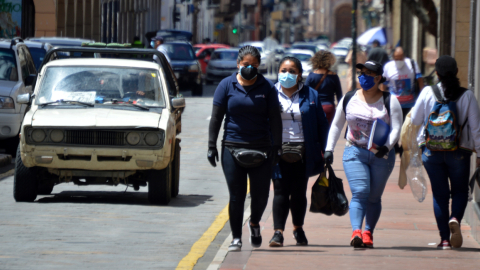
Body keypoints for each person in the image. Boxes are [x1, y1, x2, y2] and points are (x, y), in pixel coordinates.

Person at [207, 45, 282, 251]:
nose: (250, 68)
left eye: (254, 65)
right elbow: (216, 117)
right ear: (238, 64)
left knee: (261, 196)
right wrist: (211, 145)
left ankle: (255, 222)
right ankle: (236, 238)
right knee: (236, 195)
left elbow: (275, 118)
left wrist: (277, 146)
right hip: (232, 147)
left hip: (262, 148)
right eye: (246, 65)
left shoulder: (267, 88)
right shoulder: (226, 85)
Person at [324, 60, 402, 248]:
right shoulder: (349, 98)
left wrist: (387, 147)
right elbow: (336, 124)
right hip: (354, 151)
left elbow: (397, 127)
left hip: (381, 155)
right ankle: (356, 231)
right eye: (361, 73)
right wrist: (329, 148)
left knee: (374, 197)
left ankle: (368, 232)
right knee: (360, 192)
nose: (363, 77)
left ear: (378, 78)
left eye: (368, 74)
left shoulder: (390, 100)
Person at [410, 56, 480, 250]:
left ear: (437, 74)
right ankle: (455, 218)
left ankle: (445, 240)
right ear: (457, 72)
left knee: (440, 196)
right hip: (459, 152)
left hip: (431, 152)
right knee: (460, 191)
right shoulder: (467, 96)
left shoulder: (427, 92)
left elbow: (415, 119)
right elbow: (476, 130)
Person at [269, 57, 329, 247]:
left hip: (303, 152)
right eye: (283, 70)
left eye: (292, 71)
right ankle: (278, 232)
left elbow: (322, 124)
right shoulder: (270, 93)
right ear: (278, 72)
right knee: (280, 191)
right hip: (277, 151)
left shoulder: (311, 95)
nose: (287, 74)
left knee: (298, 192)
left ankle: (298, 228)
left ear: (300, 74)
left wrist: (325, 150)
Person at [382, 47, 424, 155]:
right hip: (394, 104)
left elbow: (420, 80)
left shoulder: (412, 65)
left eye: (400, 58)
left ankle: (405, 148)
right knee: (394, 126)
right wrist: (383, 100)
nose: (398, 60)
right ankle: (395, 147)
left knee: (407, 128)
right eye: (396, 58)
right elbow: (384, 84)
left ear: (404, 57)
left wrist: (422, 96)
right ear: (393, 58)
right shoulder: (388, 67)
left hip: (410, 104)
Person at [304, 50, 343, 126]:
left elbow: (305, 94)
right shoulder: (334, 76)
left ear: (315, 60)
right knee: (327, 132)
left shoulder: (311, 76)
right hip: (329, 107)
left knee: (315, 131)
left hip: (314, 107)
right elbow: (339, 96)